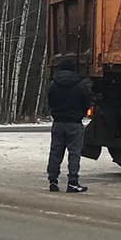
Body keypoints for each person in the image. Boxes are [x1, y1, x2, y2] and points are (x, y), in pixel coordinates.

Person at [46, 56, 92, 193]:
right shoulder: (80, 84)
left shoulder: (53, 84)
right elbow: (86, 101)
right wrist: (80, 113)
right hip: (74, 123)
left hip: (58, 123)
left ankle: (53, 181)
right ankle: (72, 182)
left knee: (55, 152)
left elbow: (50, 101)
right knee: (74, 153)